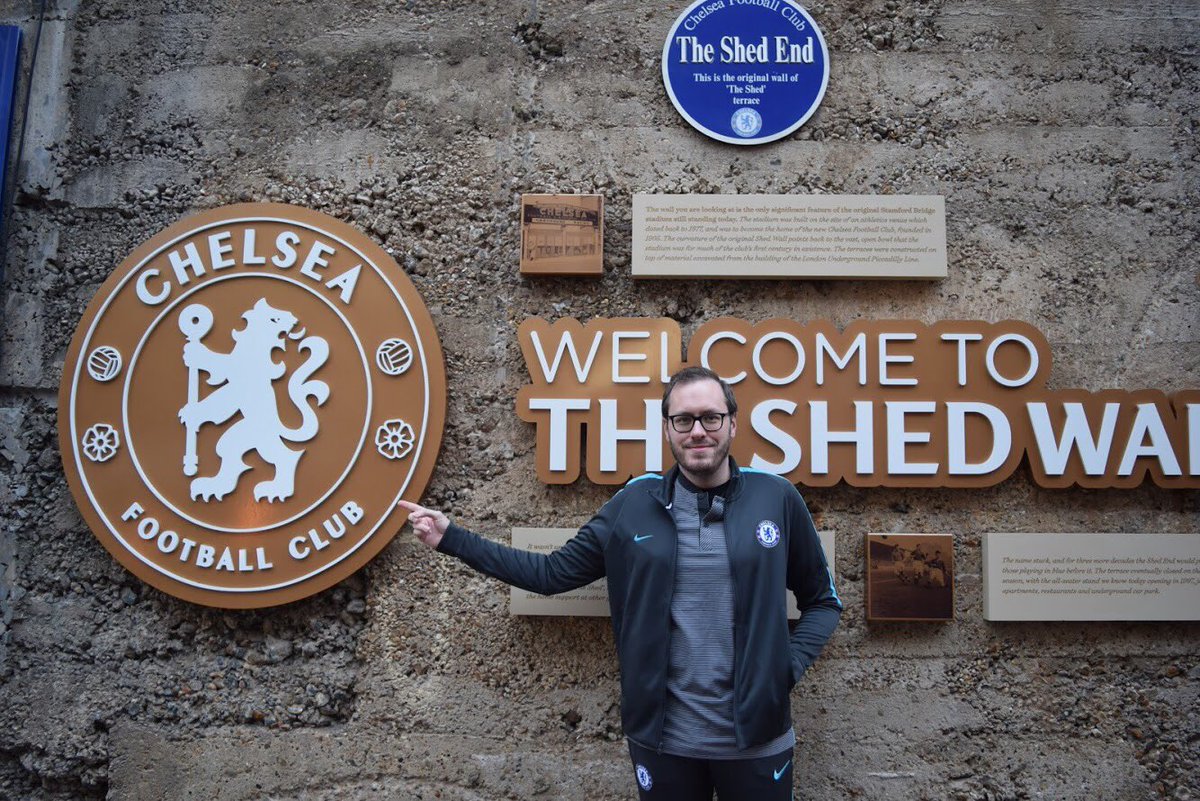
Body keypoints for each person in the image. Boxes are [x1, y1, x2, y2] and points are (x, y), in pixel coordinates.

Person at [400, 367, 842, 800]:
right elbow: (550, 574)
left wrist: (785, 669)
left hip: (759, 739)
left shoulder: (776, 497)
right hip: (664, 742)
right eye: (683, 420)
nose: (698, 432)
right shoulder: (634, 503)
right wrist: (452, 538)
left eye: (711, 417)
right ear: (667, 428)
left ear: (732, 423)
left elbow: (823, 601)